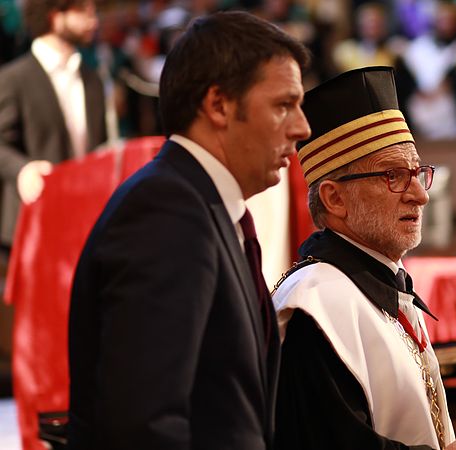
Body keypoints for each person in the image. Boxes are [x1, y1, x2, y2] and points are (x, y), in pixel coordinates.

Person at [67, 11, 310, 450]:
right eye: (283, 105)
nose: (302, 127)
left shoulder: (203, 205)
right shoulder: (167, 211)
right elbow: (144, 427)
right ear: (218, 105)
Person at [272, 66, 456, 450]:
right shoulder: (316, 303)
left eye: (418, 172)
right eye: (393, 176)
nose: (421, 194)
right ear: (334, 198)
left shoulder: (381, 283)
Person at [0, 0, 106, 247]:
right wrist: (22, 169)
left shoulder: (93, 80)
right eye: (83, 11)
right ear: (54, 16)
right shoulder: (13, 79)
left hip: (83, 223)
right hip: (31, 228)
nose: (94, 20)